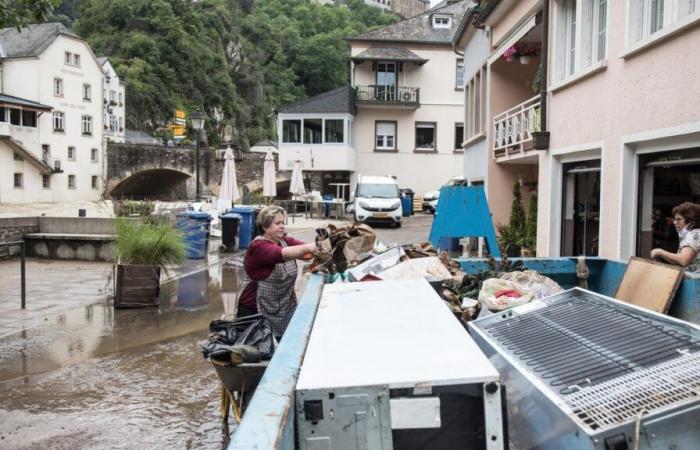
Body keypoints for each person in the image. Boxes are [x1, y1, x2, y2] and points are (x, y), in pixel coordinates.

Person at [238, 205, 317, 339]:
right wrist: (310, 247)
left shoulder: (284, 241)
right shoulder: (257, 247)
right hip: (255, 311)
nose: (282, 226)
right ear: (265, 226)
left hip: (284, 310)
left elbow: (305, 252)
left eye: (283, 223)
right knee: (260, 352)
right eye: (277, 223)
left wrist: (319, 248)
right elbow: (280, 254)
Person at [651, 202, 700, 271]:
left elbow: (683, 260)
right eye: (674, 219)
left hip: (693, 280)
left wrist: (659, 252)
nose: (675, 222)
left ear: (691, 221)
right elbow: (679, 262)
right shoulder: (694, 233)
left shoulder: (694, 234)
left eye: (679, 219)